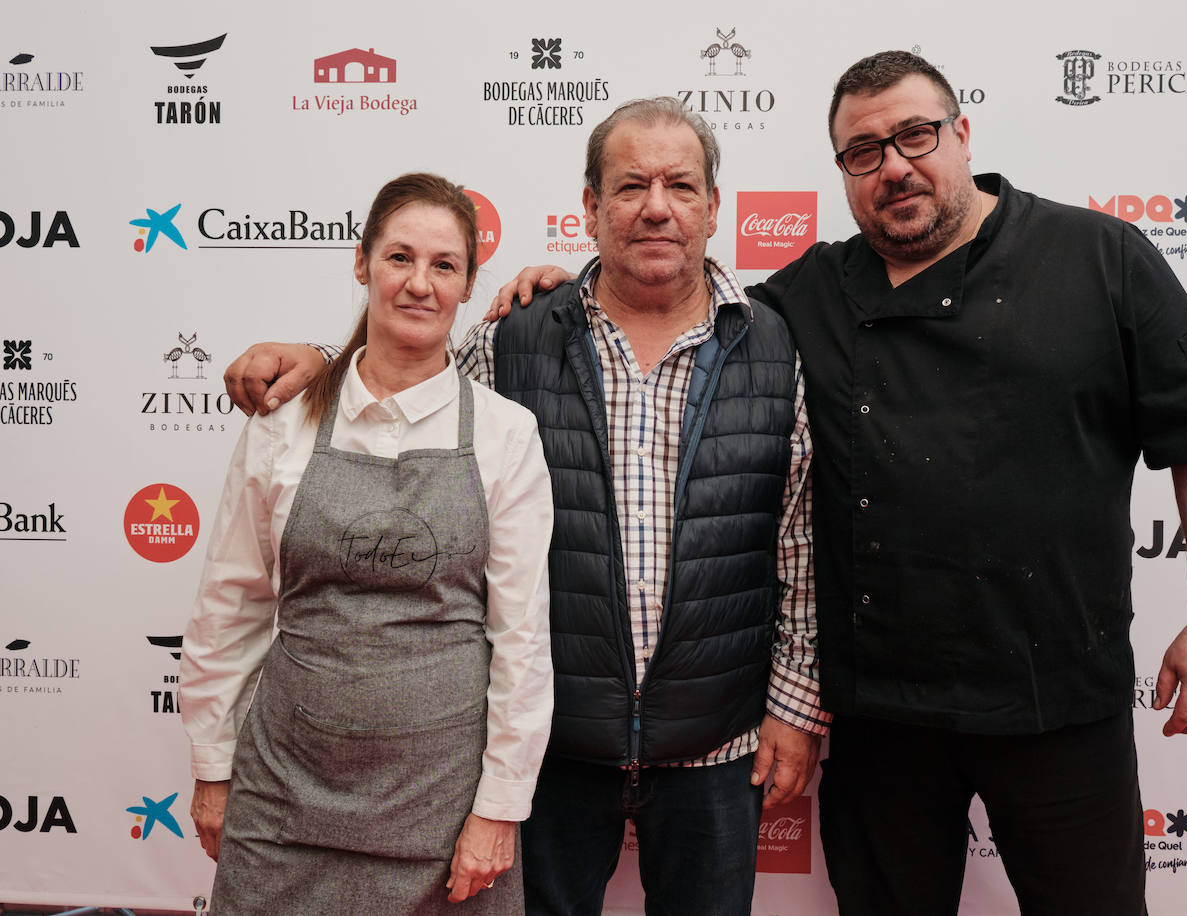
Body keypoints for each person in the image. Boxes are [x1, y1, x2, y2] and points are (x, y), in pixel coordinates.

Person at [491, 51, 1187, 915]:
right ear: (845, 173)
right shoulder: (799, 301)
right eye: (864, 152)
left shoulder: (1097, 256)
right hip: (882, 724)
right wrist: (553, 287)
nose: (895, 165)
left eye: (916, 136)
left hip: (1059, 706)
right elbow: (673, 299)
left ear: (962, 136)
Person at [220, 100, 828, 916]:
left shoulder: (774, 346)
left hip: (716, 745)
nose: (656, 205)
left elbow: (797, 541)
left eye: (681, 185)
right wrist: (322, 363)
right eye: (629, 185)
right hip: (549, 752)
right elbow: (406, 395)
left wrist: (794, 706)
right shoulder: (512, 340)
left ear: (714, 207)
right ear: (589, 206)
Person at [180, 172, 554, 915]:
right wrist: (213, 767)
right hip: (283, 801)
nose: (420, 284)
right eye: (399, 258)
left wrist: (500, 809)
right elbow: (231, 605)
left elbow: (519, 640)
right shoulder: (282, 424)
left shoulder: (507, 434)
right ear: (362, 263)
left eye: (444, 266)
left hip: (441, 814)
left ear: (469, 285)